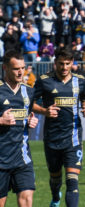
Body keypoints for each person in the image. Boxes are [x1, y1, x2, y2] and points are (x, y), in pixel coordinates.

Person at [33, 46, 85, 207]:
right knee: (55, 177)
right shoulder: (44, 80)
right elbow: (29, 103)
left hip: (73, 138)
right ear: (55, 63)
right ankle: (55, 196)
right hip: (52, 137)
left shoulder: (79, 80)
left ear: (72, 63)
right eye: (61, 64)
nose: (64, 67)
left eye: (67, 63)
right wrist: (44, 111)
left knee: (72, 181)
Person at [0, 50, 38, 207]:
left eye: (23, 68)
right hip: (1, 160)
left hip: (22, 159)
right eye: (16, 68)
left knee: (27, 199)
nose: (21, 72)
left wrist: (31, 120)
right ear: (5, 68)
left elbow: (29, 115)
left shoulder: (28, 92)